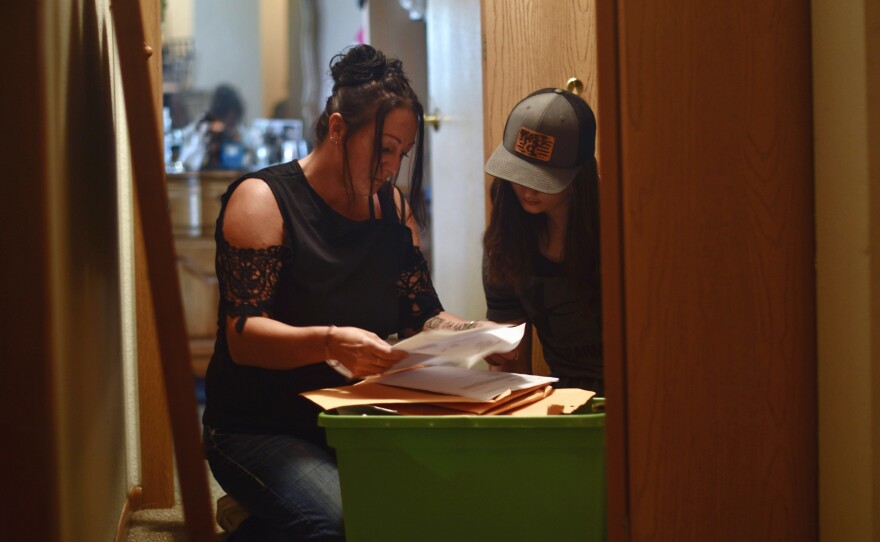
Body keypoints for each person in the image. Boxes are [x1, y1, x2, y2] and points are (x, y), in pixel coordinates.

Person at [201, 44, 478, 541]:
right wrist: (330, 342)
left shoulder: (391, 208)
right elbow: (244, 334)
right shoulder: (263, 199)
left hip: (354, 421)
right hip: (260, 428)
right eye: (384, 147)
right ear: (337, 129)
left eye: (401, 153)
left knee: (450, 503)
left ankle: (262, 516)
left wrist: (479, 337)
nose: (392, 167)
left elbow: (424, 314)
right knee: (345, 524)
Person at [481, 88, 604, 395]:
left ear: (579, 174)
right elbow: (510, 368)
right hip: (562, 400)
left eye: (543, 178)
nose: (527, 189)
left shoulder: (620, 233)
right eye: (518, 173)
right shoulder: (507, 239)